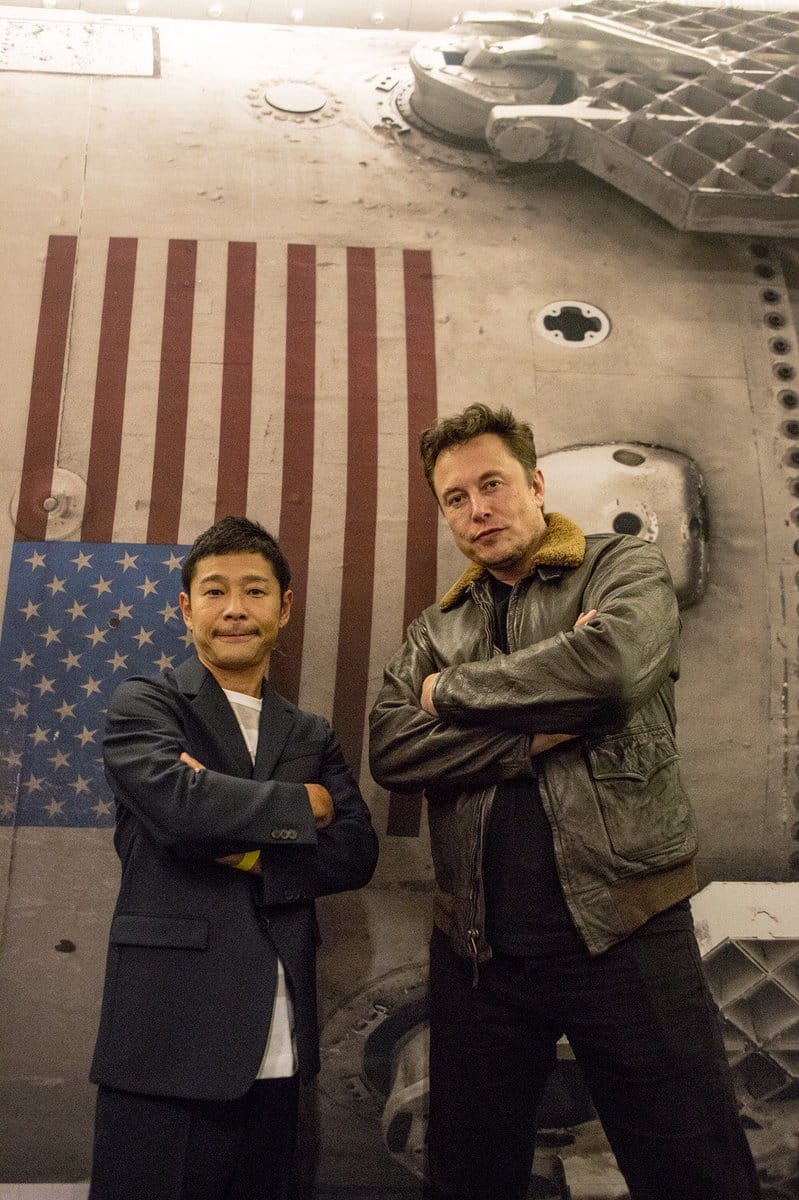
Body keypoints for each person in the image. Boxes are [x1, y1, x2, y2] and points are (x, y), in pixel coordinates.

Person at [369, 404, 760, 1200]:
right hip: (477, 950)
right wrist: (530, 735)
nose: (477, 510)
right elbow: (391, 749)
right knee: (467, 1178)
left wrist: (447, 693)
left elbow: (608, 671)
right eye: (455, 498)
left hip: (623, 929)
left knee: (694, 1172)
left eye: (492, 484)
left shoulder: (621, 567)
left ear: (536, 485)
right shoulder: (435, 627)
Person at [89, 516, 379, 1200]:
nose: (235, 608)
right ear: (186, 608)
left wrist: (247, 850)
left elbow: (355, 853)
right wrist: (305, 805)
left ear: (284, 606)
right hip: (170, 1035)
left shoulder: (309, 732)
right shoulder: (146, 703)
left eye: (254, 590)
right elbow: (181, 813)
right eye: (215, 591)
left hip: (281, 1045)